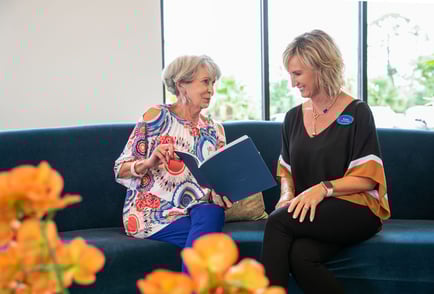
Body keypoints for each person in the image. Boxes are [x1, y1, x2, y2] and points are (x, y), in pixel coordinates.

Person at [261, 30, 391, 293]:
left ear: (321, 67)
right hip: (313, 211)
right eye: (290, 74)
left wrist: (323, 188)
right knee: (301, 256)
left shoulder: (357, 112)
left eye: (297, 74)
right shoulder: (292, 117)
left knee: (277, 222)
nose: (292, 83)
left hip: (357, 208)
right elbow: (285, 171)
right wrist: (286, 196)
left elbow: (368, 177)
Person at [114, 55, 232, 270]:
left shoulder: (216, 130)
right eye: (205, 82)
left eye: (213, 83)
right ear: (181, 85)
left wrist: (225, 191)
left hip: (196, 210)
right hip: (152, 213)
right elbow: (119, 169)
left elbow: (218, 179)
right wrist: (149, 162)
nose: (211, 90)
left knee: (212, 212)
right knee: (212, 242)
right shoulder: (157, 117)